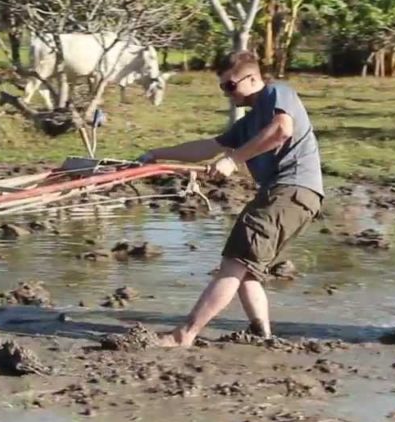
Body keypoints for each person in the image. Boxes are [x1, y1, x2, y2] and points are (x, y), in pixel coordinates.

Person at [136, 50, 324, 347]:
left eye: (230, 86)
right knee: (248, 266)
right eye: (222, 87)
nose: (227, 94)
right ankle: (261, 335)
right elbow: (208, 147)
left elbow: (281, 130)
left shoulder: (278, 92)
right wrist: (157, 154)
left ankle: (184, 335)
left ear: (252, 78)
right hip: (285, 195)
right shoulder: (247, 124)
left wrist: (234, 160)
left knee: (232, 263)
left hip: (291, 190)